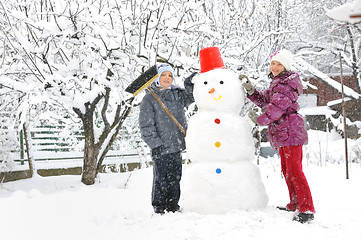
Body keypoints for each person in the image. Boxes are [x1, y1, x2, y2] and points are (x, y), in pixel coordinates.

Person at [240, 49, 315, 223]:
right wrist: (250, 90)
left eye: (279, 64)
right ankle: (294, 203)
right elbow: (263, 100)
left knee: (295, 172)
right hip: (284, 132)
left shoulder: (286, 85)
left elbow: (275, 110)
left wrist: (258, 120)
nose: (274, 67)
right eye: (273, 63)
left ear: (285, 66)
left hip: (291, 132)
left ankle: (307, 208)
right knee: (287, 171)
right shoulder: (277, 83)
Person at [139, 63, 196, 214]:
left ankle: (173, 206)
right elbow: (146, 125)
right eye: (163, 75)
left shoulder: (176, 94)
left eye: (169, 75)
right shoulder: (149, 99)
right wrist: (155, 144)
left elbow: (191, 97)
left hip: (176, 144)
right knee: (161, 179)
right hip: (161, 146)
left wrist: (189, 83)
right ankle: (159, 207)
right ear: (157, 77)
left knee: (175, 178)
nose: (167, 78)